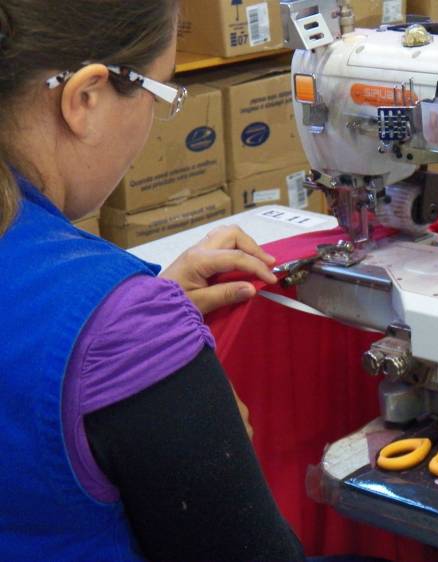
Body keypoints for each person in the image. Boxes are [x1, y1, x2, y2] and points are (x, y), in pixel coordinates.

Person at [0, 1, 306, 560]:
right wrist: (133, 329)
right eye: (160, 92)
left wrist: (121, 310)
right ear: (86, 99)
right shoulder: (126, 329)